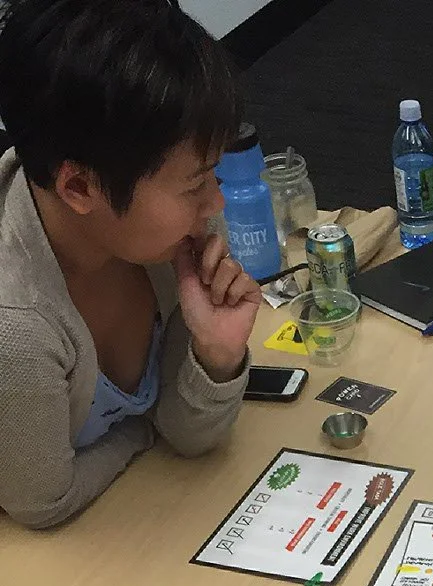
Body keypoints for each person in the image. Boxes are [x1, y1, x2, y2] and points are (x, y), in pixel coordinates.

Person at [0, 0, 261, 530]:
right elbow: (42, 502)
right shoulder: (17, 326)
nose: (216, 202)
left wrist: (217, 356)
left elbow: (189, 436)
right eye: (195, 183)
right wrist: (144, 429)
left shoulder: (169, 234)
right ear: (79, 187)